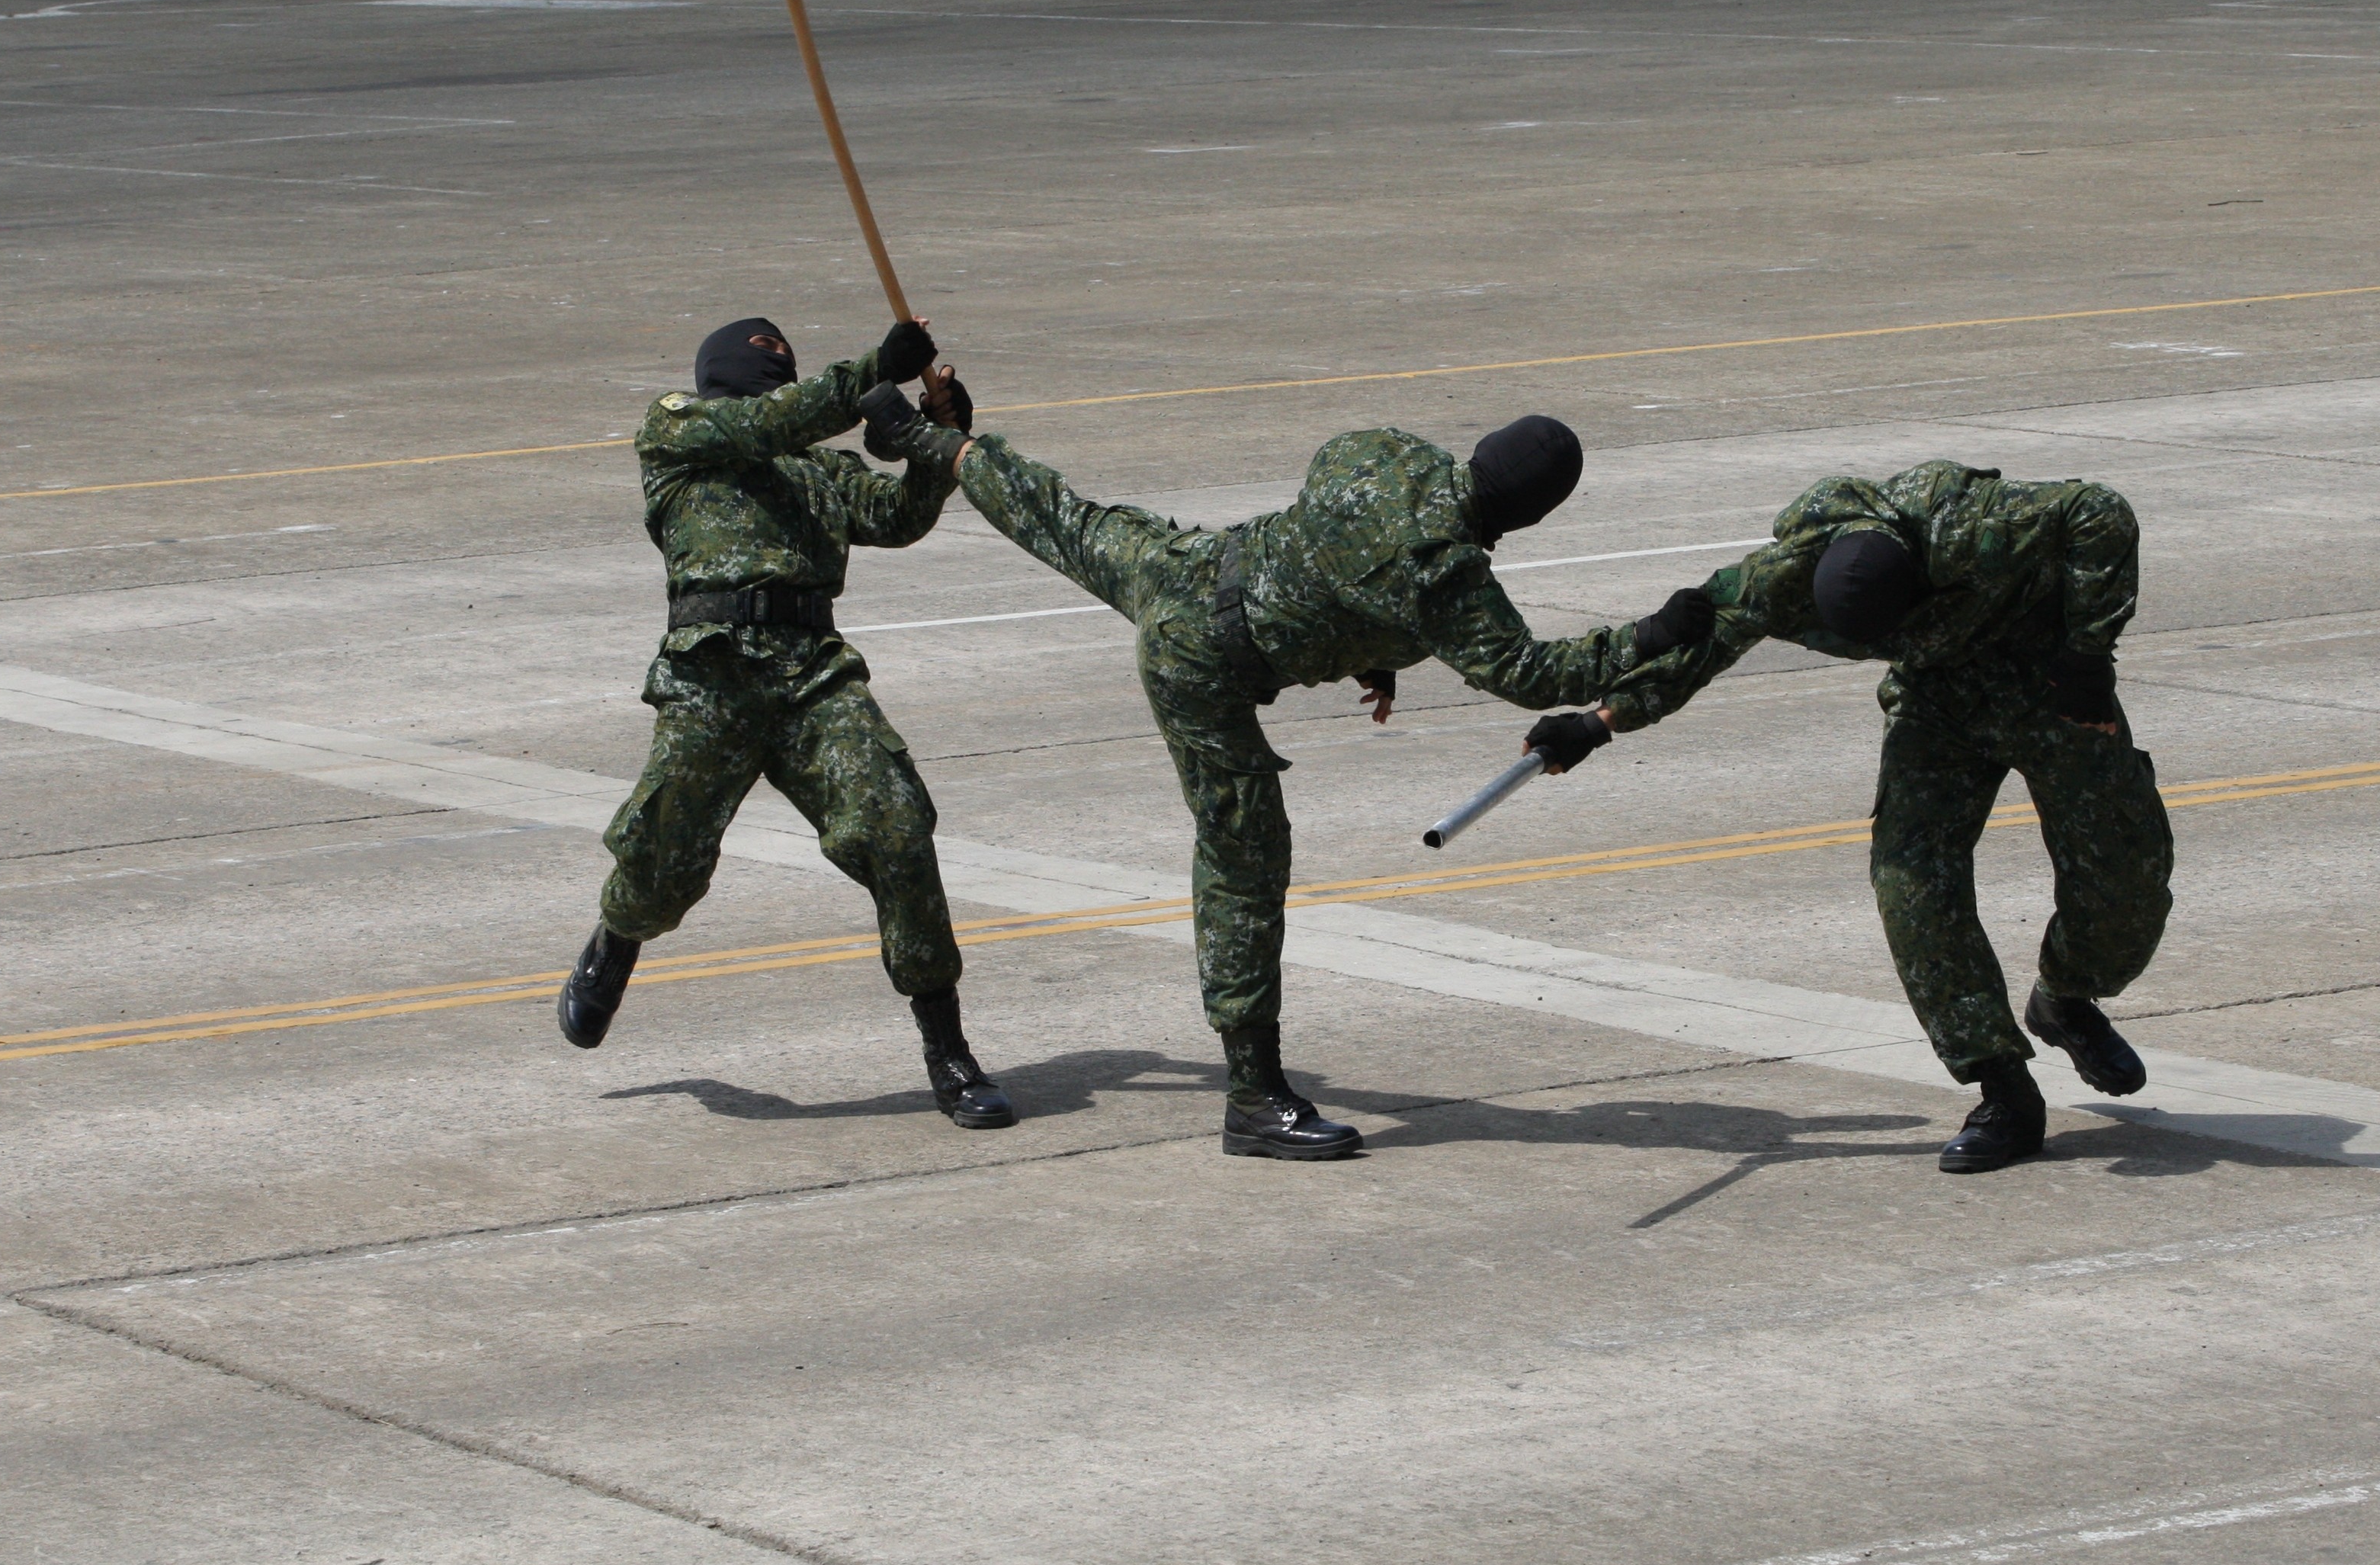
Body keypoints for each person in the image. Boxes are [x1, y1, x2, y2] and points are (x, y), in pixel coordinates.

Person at [855, 387, 1712, 1160]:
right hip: (1204, 669)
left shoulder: (1381, 451)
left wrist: (1368, 649)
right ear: (1535, 515)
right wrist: (1649, 637)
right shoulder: (1444, 576)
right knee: (1245, 863)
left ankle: (933, 440)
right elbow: (1527, 672)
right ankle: (1255, 1098)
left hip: (1188, 566)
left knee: (1063, 515)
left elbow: (1335, 552)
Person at [1570, 460, 2171, 1174]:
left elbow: (2100, 512)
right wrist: (1599, 722)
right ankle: (2002, 1089)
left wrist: (2087, 654)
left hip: (2045, 680)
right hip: (1936, 703)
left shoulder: (1967, 524)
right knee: (1908, 878)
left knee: (2125, 873)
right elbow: (1705, 639)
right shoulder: (1787, 572)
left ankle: (2066, 999)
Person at [555, 316, 1019, 1132]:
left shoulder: (816, 468)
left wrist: (935, 441)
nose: (772, 378)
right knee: (664, 863)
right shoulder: (680, 429)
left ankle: (948, 1050)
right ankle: (618, 937)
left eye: (783, 367)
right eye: (760, 364)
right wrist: (871, 370)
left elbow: (899, 516)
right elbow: (768, 420)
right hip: (714, 676)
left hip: (813, 673)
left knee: (897, 828)